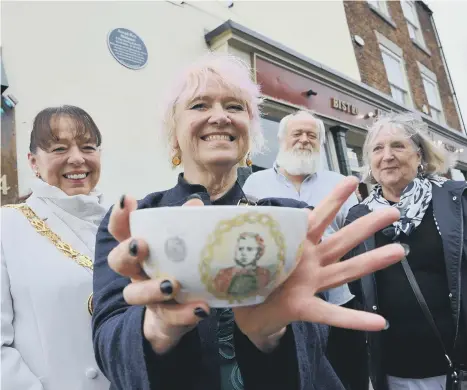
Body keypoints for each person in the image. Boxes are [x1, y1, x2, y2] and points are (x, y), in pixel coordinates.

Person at [92, 53, 405, 390]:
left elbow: (312, 340)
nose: (220, 117)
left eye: (234, 106)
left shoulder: (286, 216)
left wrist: (270, 334)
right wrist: (157, 329)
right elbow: (107, 339)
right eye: (199, 105)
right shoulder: (137, 221)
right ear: (174, 135)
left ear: (249, 133)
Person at [343, 113, 467, 390]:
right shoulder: (359, 216)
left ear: (420, 154)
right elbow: (356, 286)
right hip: (394, 369)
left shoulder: (455, 200)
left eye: (398, 146)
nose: (387, 156)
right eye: (377, 148)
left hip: (454, 366)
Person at [1, 105, 110, 390]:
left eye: (88, 147)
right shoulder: (7, 226)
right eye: (59, 149)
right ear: (33, 162)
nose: (77, 159)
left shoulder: (120, 224)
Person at [243, 110, 358, 232]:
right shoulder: (255, 182)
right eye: (297, 134)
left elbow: (355, 235)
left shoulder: (339, 184)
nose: (304, 140)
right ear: (281, 140)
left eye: (312, 135)